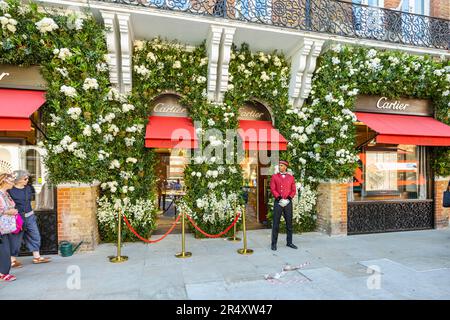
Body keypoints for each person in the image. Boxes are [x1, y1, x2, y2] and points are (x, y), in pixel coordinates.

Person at [8, 170, 51, 267]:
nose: (27, 180)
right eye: (25, 178)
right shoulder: (10, 190)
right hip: (17, 218)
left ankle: (37, 257)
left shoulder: (29, 188)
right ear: (18, 180)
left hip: (30, 216)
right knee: (16, 239)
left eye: (27, 178)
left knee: (35, 235)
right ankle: (12, 261)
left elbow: (32, 201)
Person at [269, 160, 297, 251]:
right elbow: (273, 189)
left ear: (285, 167)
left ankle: (289, 242)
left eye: (281, 165)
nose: (279, 167)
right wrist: (279, 199)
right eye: (279, 165)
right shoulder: (274, 177)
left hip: (288, 203)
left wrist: (288, 199)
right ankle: (274, 244)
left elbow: (293, 190)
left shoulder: (291, 177)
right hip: (278, 202)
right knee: (276, 224)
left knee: (289, 224)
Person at [0, 173, 18, 281]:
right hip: (1, 228)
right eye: (11, 181)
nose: (13, 183)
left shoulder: (5, 194)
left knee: (5, 249)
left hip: (5, 227)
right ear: (4, 182)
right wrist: (9, 211)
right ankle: (3, 273)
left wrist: (12, 210)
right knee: (4, 250)